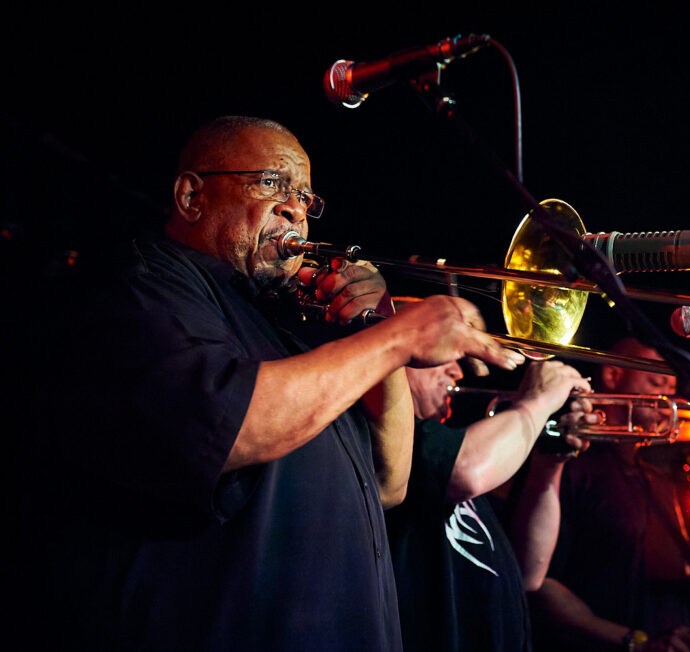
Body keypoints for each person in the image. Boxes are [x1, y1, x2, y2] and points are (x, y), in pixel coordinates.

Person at [20, 116, 524, 651]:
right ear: (192, 197)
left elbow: (389, 482)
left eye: (305, 197)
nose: (295, 210)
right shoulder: (142, 285)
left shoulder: (291, 324)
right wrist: (397, 338)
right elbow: (228, 424)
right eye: (271, 183)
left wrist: (376, 327)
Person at [528, 337, 690, 652]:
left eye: (671, 386)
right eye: (656, 380)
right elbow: (539, 584)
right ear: (613, 375)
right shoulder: (567, 462)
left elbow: (682, 575)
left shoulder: (663, 477)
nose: (668, 395)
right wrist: (635, 642)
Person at [386, 313, 593, 651]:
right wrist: (538, 402)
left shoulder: (451, 450)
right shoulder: (402, 444)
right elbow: (467, 471)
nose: (457, 371)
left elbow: (530, 571)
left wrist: (548, 464)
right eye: (441, 355)